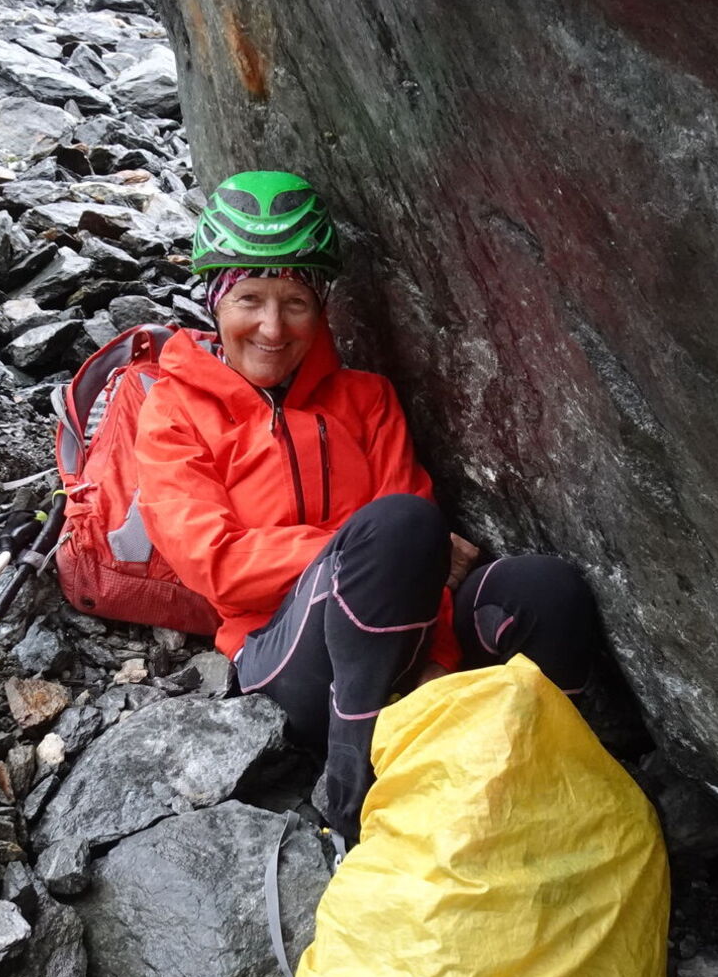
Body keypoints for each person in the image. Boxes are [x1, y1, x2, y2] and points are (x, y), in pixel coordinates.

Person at [134, 170, 599, 841]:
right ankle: (354, 803)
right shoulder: (174, 411)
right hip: (283, 663)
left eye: (295, 301)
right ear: (216, 304)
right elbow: (219, 567)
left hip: (404, 641)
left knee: (546, 590)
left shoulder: (366, 399)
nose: (272, 327)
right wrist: (354, 545)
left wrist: (437, 660)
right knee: (398, 528)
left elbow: (420, 558)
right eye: (250, 300)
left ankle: (556, 807)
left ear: (321, 306)